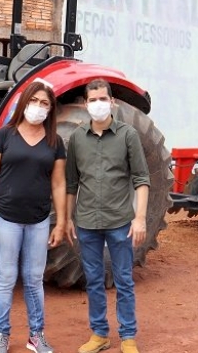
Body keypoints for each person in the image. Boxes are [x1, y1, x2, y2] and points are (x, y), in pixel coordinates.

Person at [0, 80, 70, 353]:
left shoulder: (55, 142)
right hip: (6, 217)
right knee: (6, 277)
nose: (38, 107)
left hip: (38, 220)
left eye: (44, 103)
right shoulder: (4, 136)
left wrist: (61, 222)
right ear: (24, 102)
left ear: (50, 109)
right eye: (34, 101)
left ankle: (36, 335)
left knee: (33, 279)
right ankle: (1, 334)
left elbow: (59, 184)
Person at [65, 78, 150, 353]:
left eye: (103, 99)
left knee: (123, 280)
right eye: (93, 100)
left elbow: (141, 179)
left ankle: (128, 336)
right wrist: (67, 219)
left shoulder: (128, 135)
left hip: (120, 222)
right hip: (87, 223)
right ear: (85, 104)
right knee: (93, 281)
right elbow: (71, 184)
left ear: (112, 102)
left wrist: (140, 219)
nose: (98, 104)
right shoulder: (77, 138)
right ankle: (99, 334)